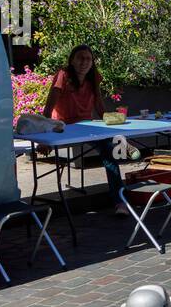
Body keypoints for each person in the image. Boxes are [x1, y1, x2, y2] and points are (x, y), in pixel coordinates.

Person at [43, 45, 125, 206]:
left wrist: (121, 120)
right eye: (80, 58)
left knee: (109, 149)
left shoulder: (93, 77)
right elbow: (48, 109)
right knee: (110, 148)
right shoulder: (63, 75)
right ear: (72, 60)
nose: (84, 62)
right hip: (63, 128)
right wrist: (44, 139)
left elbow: (101, 110)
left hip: (86, 127)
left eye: (88, 59)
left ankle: (120, 202)